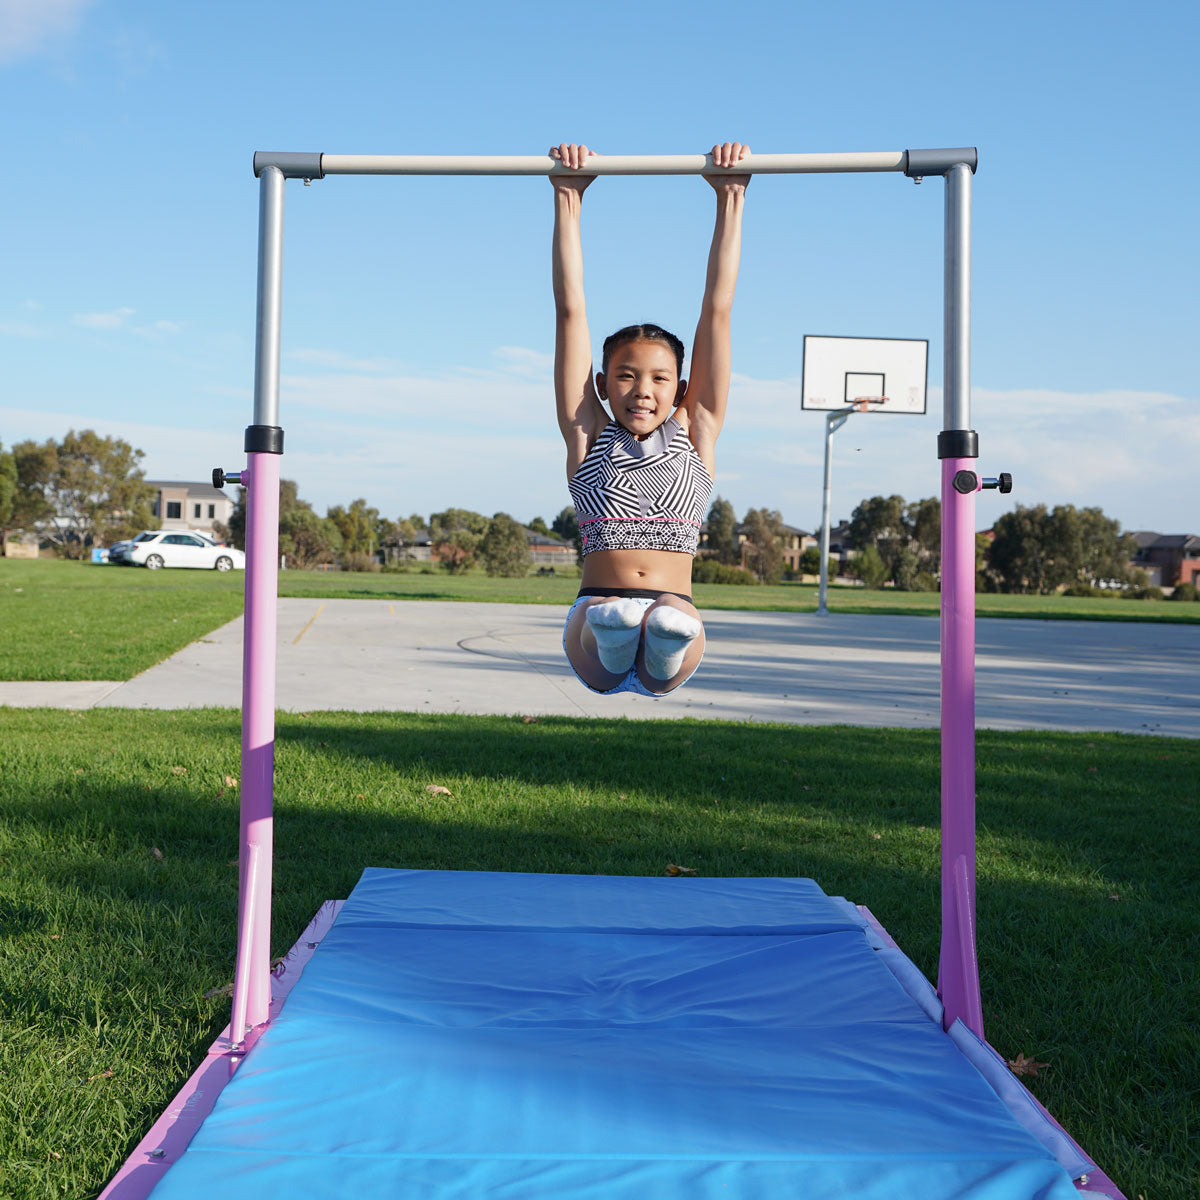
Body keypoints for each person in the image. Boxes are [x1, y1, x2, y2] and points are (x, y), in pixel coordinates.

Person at [550, 141, 751, 696]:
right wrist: (568, 198)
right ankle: (619, 634)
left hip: (678, 609)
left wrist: (731, 196)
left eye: (660, 379)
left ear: (681, 389)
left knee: (667, 617)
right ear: (601, 384)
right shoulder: (587, 432)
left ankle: (659, 641)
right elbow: (571, 309)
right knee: (610, 616)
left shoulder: (696, 427)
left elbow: (719, 306)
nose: (642, 391)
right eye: (625, 376)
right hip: (592, 614)